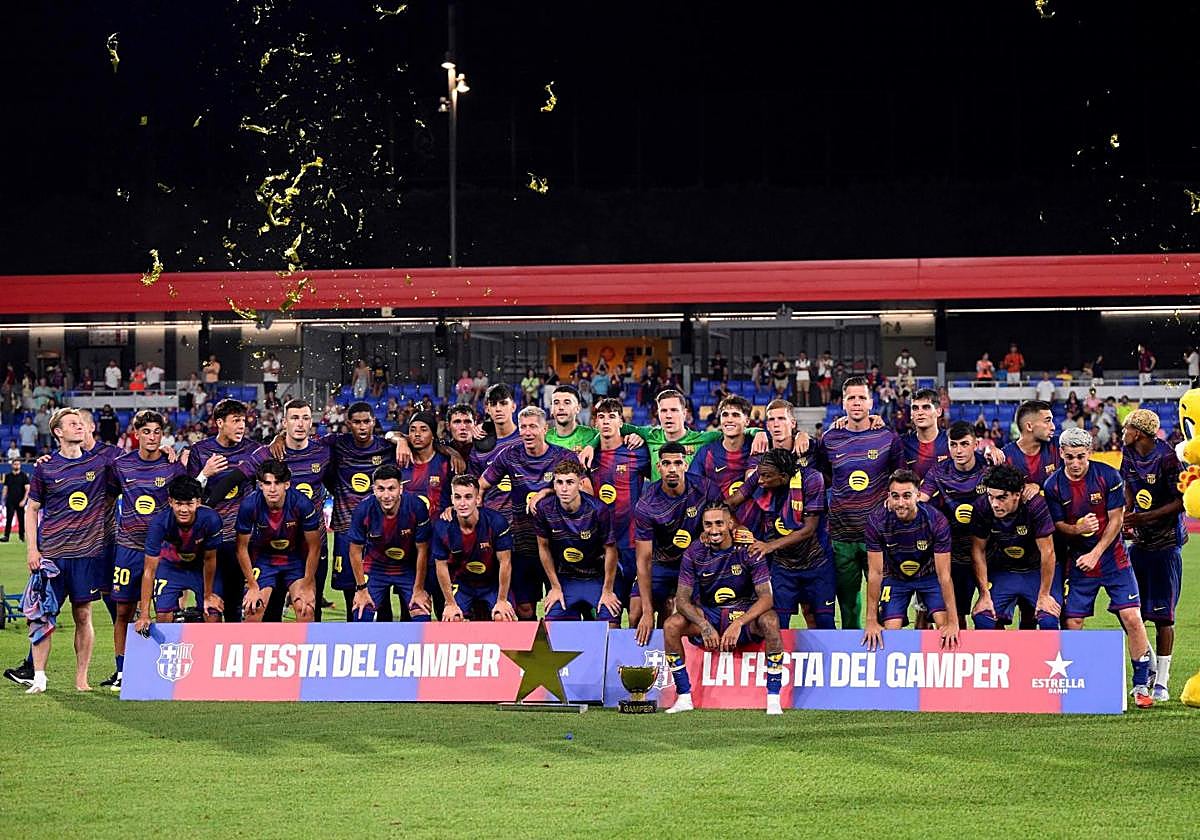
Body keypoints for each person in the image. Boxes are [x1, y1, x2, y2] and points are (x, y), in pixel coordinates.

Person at [1044, 426, 1154, 707]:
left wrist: (1095, 552)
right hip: (1080, 563)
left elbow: (1116, 520)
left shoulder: (1108, 476)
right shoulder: (1053, 486)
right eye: (1069, 457)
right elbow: (1058, 525)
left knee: (1132, 617)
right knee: (1072, 622)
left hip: (1113, 559)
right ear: (1061, 453)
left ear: (1090, 453)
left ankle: (1141, 685)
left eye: (1081, 456)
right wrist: (1077, 529)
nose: (1075, 463)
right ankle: (1074, 682)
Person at [17, 409, 114, 693]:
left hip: (85, 555)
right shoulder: (45, 467)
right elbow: (31, 509)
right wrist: (32, 550)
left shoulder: (99, 463)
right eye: (73, 423)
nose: (79, 426)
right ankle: (39, 677)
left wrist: (169, 451)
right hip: (52, 556)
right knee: (42, 615)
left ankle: (81, 679)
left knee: (83, 615)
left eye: (81, 423)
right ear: (58, 432)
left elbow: (136, 463)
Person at [799, 376, 903, 629]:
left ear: (871, 402)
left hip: (879, 535)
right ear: (843, 403)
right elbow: (824, 476)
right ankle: (851, 650)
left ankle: (886, 650)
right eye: (851, 398)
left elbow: (899, 479)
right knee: (848, 605)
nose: (856, 403)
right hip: (841, 535)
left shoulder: (887, 437)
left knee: (885, 606)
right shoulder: (830, 439)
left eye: (861, 397)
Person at [663, 503, 785, 715]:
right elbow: (681, 600)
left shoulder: (749, 550)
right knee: (671, 625)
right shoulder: (694, 552)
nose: (714, 530)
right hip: (709, 614)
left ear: (730, 524)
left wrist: (739, 623)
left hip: (744, 614)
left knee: (770, 620)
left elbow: (767, 598)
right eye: (708, 524)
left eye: (719, 523)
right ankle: (683, 697)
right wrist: (704, 625)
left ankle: (774, 699)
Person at [102, 411, 184, 691]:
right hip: (128, 548)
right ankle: (122, 670)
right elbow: (108, 501)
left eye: (157, 432)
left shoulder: (171, 466)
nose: (152, 437)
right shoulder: (121, 465)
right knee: (123, 611)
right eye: (146, 432)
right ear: (136, 434)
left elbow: (185, 501)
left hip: (162, 550)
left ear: (163, 435)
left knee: (165, 611)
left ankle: (161, 670)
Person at [479, 406, 586, 619]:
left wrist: (547, 491)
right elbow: (481, 485)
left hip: (557, 544)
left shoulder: (563, 456)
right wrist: (478, 515)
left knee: (562, 604)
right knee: (525, 608)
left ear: (545, 429)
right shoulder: (510, 455)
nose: (527, 432)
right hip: (523, 543)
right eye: (523, 427)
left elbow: (585, 490)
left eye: (533, 427)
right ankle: (531, 641)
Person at [182, 399, 271, 622]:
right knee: (211, 610)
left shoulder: (253, 450)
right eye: (236, 421)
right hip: (211, 542)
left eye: (243, 421)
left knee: (240, 610)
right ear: (220, 423)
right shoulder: (200, 451)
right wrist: (204, 474)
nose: (241, 426)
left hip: (244, 542)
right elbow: (188, 497)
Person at [726, 447, 835, 629]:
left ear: (783, 477)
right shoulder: (760, 475)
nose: (760, 480)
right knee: (777, 623)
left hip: (817, 562)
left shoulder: (811, 479)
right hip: (782, 566)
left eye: (767, 476)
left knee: (824, 622)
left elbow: (808, 529)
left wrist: (769, 546)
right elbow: (729, 504)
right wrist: (737, 526)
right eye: (760, 475)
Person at [1121, 409, 1185, 701]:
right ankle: (1146, 663)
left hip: (1166, 543)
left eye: (1127, 428)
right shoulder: (1128, 452)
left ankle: (1162, 680)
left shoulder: (1167, 457)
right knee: (1128, 610)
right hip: (1140, 542)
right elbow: (1128, 486)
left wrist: (1144, 518)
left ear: (1139, 432)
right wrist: (1127, 515)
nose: (1123, 432)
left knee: (1163, 617)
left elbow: (1181, 502)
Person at [631, 442, 723, 644]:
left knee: (678, 613)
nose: (672, 469)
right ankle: (638, 656)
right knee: (635, 612)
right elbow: (644, 559)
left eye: (677, 463)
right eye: (666, 463)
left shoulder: (705, 488)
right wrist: (647, 611)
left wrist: (709, 533)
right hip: (662, 564)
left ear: (686, 465)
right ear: (658, 467)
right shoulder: (647, 504)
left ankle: (677, 656)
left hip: (695, 564)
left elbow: (723, 523)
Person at [861, 470, 959, 651]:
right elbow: (875, 573)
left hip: (929, 576)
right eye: (895, 496)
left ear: (918, 496)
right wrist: (871, 620)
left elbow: (944, 574)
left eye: (907, 496)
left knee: (943, 625)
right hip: (895, 578)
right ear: (888, 496)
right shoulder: (876, 522)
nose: (900, 503)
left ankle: (932, 665)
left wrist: (953, 622)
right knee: (890, 632)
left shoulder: (936, 521)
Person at [263, 399, 333, 620]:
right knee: (271, 612)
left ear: (311, 422)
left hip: (314, 546)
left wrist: (398, 439)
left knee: (312, 608)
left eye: (305, 418)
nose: (300, 423)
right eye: (294, 418)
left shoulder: (324, 451)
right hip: (277, 548)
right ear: (284, 422)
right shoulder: (270, 454)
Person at [969, 463, 1061, 630]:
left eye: (1001, 498)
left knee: (1048, 620)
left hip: (1037, 570)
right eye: (991, 496)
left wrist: (1044, 595)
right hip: (1004, 570)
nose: (994, 504)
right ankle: (1002, 646)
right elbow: (977, 550)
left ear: (1017, 495)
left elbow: (1048, 552)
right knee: (983, 617)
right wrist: (984, 594)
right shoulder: (982, 506)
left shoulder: (1035, 505)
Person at [133, 476, 224, 636]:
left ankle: (208, 650)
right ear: (170, 502)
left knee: (212, 613)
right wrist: (144, 614)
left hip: (200, 569)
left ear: (198, 502)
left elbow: (210, 559)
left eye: (189, 504)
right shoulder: (159, 523)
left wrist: (208, 594)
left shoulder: (211, 519)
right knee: (163, 616)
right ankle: (169, 650)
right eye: (179, 503)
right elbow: (149, 570)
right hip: (171, 567)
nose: (184, 509)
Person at [919, 422, 989, 629]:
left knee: (991, 615)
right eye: (953, 444)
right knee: (956, 616)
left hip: (989, 552)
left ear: (975, 444)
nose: (958, 450)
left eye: (964, 444)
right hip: (954, 553)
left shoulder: (989, 468)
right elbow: (921, 499)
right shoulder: (939, 471)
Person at [535, 460, 621, 624]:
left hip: (597, 577)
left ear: (580, 484)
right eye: (559, 482)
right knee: (552, 625)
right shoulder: (545, 509)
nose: (564, 488)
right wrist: (555, 587)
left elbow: (611, 550)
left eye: (570, 482)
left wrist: (608, 590)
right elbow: (543, 547)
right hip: (566, 578)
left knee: (610, 622)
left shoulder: (598, 509)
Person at [235, 460, 321, 623]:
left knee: (306, 609)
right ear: (260, 485)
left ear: (287, 484)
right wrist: (252, 585)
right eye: (267, 483)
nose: (272, 489)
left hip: (295, 558)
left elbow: (314, 547)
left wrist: (308, 583)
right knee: (253, 609)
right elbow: (241, 548)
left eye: (278, 483)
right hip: (264, 559)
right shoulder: (249, 505)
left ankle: (302, 641)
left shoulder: (302, 504)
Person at [589, 398, 651, 615]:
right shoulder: (589, 456)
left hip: (634, 543)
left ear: (621, 422)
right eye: (601, 417)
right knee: (607, 614)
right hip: (602, 546)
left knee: (637, 614)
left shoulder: (638, 451)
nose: (606, 421)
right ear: (595, 423)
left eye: (612, 417)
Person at [347, 464, 432, 622]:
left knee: (421, 614)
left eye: (391, 489)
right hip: (376, 568)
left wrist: (419, 589)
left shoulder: (416, 507)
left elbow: (422, 550)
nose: (386, 495)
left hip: (408, 568)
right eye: (381, 489)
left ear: (400, 488)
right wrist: (361, 589)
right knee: (361, 614)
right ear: (374, 489)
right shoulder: (363, 509)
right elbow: (355, 551)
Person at [433, 475, 516, 621]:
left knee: (502, 616)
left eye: (468, 497)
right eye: (458, 497)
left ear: (477, 500)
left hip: (492, 583)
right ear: (452, 500)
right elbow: (441, 567)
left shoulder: (496, 522)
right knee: (453, 618)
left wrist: (502, 600)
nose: (462, 503)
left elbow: (505, 562)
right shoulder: (442, 527)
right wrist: (451, 604)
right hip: (462, 584)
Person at [687, 395, 757, 498]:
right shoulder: (706, 453)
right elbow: (692, 488)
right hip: (715, 507)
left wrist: (760, 432)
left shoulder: (756, 448)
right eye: (725, 415)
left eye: (735, 415)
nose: (729, 420)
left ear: (747, 421)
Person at [1001, 400, 1058, 494]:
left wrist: (1039, 487)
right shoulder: (1006, 458)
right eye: (1047, 421)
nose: (1053, 427)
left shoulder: (1058, 446)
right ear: (1029, 426)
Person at [900, 388, 949, 480]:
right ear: (911, 414)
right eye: (915, 408)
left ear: (939, 411)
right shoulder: (902, 443)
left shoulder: (951, 441)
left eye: (926, 407)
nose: (920, 412)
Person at [545, 384, 594, 453]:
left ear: (578, 408)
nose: (561, 407)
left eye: (567, 403)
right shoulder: (544, 438)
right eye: (556, 403)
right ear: (552, 408)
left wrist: (592, 445)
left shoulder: (591, 435)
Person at [2, 458, 30, 541]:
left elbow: (28, 489)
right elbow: (5, 488)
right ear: (12, 465)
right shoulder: (8, 476)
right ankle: (6, 536)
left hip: (20, 501)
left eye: (18, 464)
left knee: (21, 520)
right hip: (10, 501)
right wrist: (3, 499)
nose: (16, 466)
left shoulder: (24, 476)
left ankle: (22, 536)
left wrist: (24, 500)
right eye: (15, 464)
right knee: (9, 519)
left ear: (20, 465)